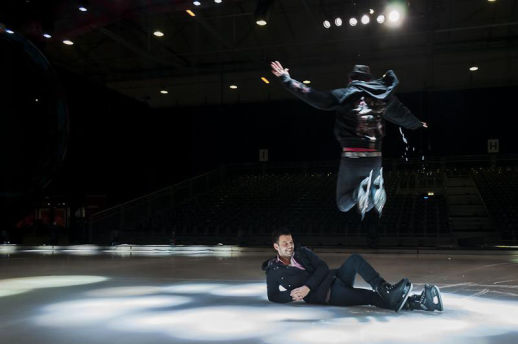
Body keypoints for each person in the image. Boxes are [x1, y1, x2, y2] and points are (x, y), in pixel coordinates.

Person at [271, 61, 428, 219]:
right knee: (367, 207)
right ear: (369, 79)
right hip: (374, 158)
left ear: (351, 80)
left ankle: (363, 190)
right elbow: (399, 113)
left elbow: (313, 96)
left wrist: (287, 79)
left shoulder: (343, 94)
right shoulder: (383, 95)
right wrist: (416, 123)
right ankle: (372, 189)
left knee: (343, 204)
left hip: (351, 158)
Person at [262, 229, 443, 312]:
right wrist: (293, 295)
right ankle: (418, 303)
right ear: (276, 246)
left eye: (291, 242)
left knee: (355, 259)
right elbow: (273, 295)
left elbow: (323, 267)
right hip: (329, 295)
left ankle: (385, 289)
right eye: (285, 243)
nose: (290, 246)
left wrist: (307, 287)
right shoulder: (273, 271)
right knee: (369, 297)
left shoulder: (302, 252)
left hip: (335, 278)